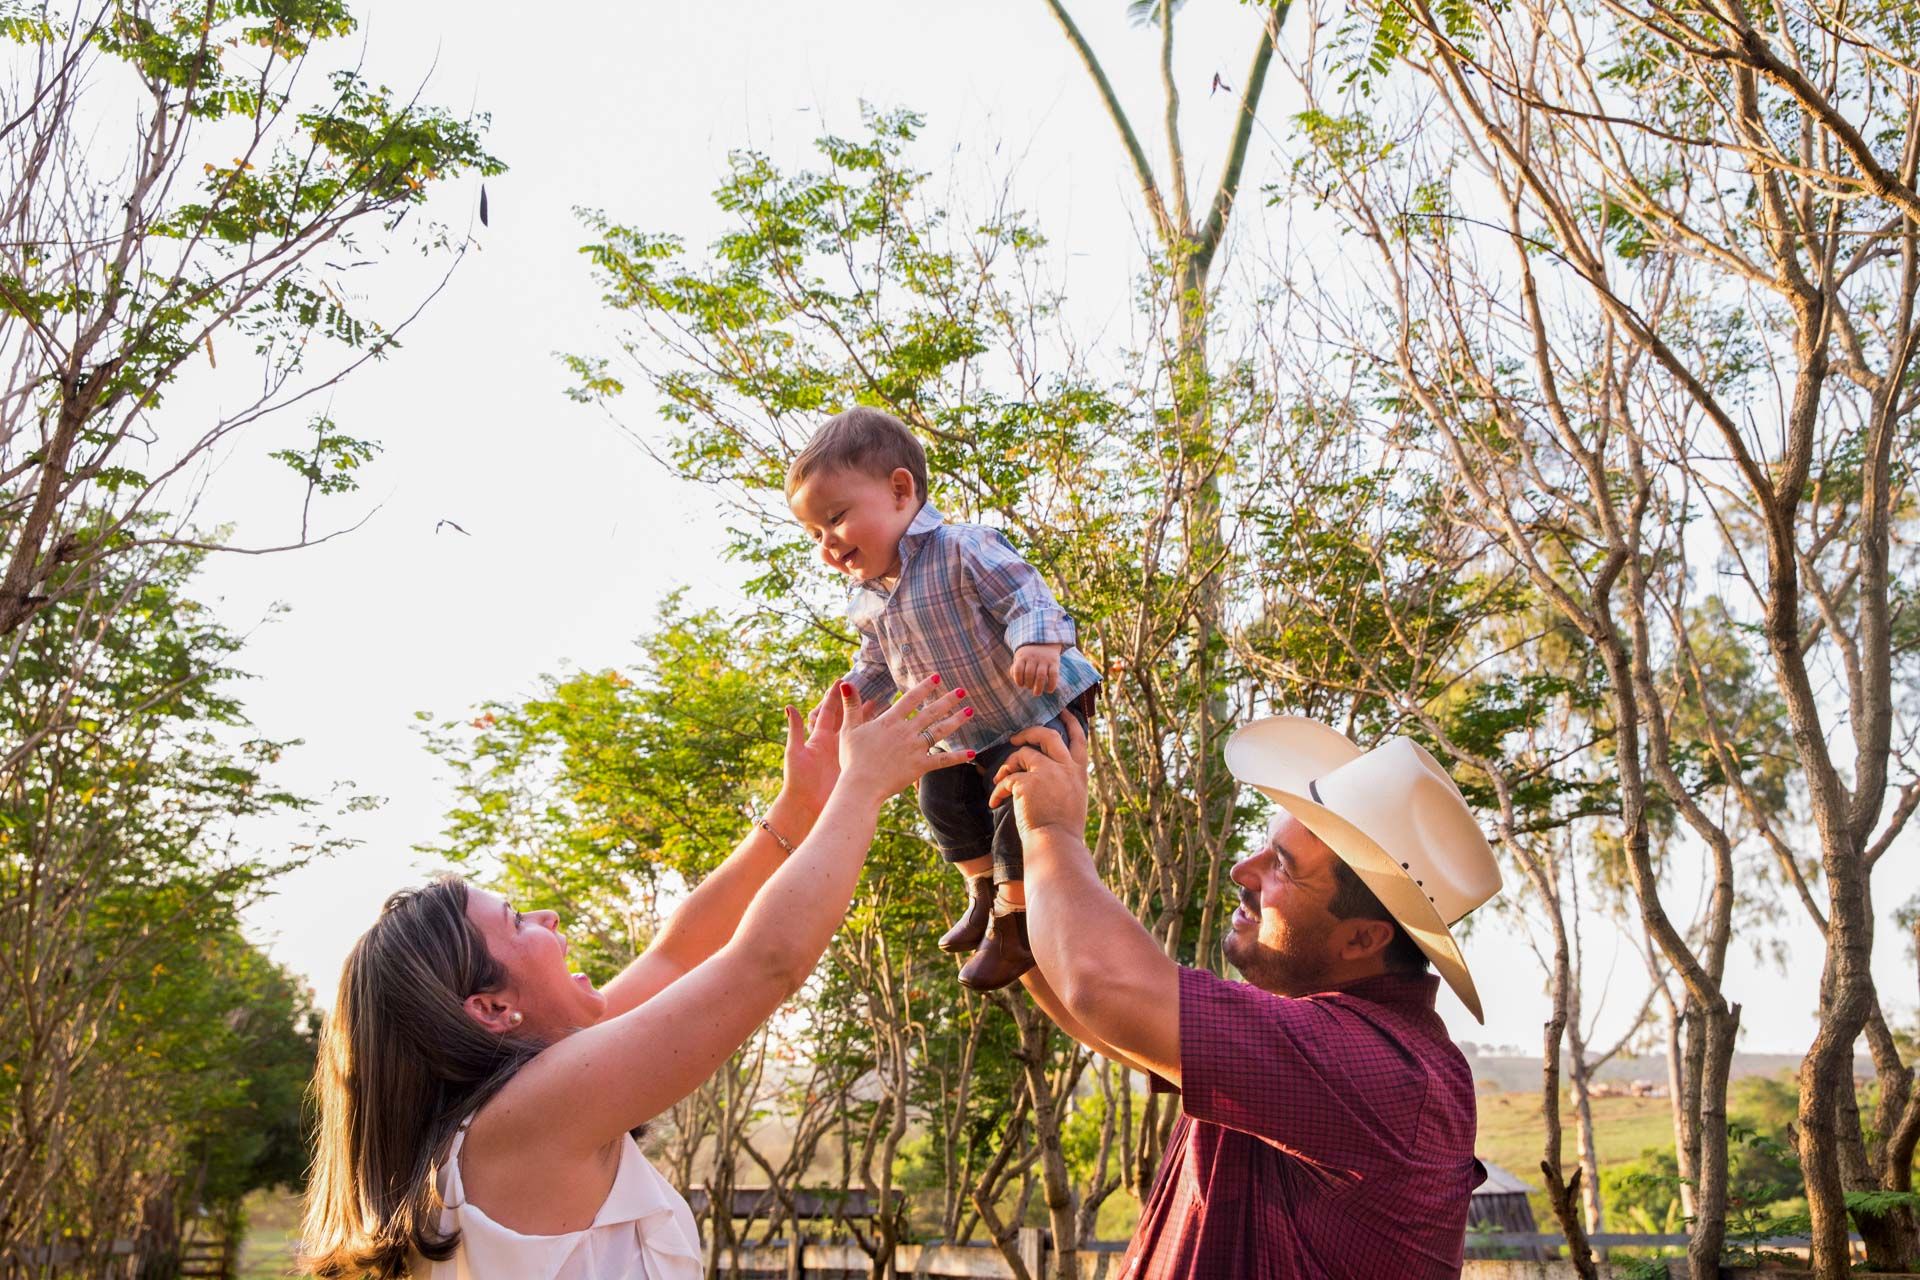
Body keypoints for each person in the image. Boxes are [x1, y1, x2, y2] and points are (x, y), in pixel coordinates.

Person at [298, 676, 974, 1280]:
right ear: (491, 1007)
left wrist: (798, 809)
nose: (548, 915)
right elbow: (767, 962)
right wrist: (862, 787)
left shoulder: (509, 1109)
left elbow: (677, 954)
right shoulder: (524, 1118)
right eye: (516, 921)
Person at [988, 713, 1503, 1278]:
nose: (1242, 869)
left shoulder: (1380, 1069)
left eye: (1282, 866)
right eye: (1266, 846)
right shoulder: (1334, 1044)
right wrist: (1008, 873)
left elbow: (1104, 985)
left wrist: (1053, 833)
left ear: (1363, 938)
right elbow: (1108, 1020)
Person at [785, 406, 1099, 991]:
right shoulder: (867, 600)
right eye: (815, 534)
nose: (828, 543)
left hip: (1037, 706)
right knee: (940, 799)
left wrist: (1036, 642)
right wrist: (852, 703)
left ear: (900, 491)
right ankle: (983, 894)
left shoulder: (962, 546)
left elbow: (1027, 594)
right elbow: (877, 664)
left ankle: (1018, 921)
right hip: (969, 732)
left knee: (1018, 802)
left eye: (836, 519)